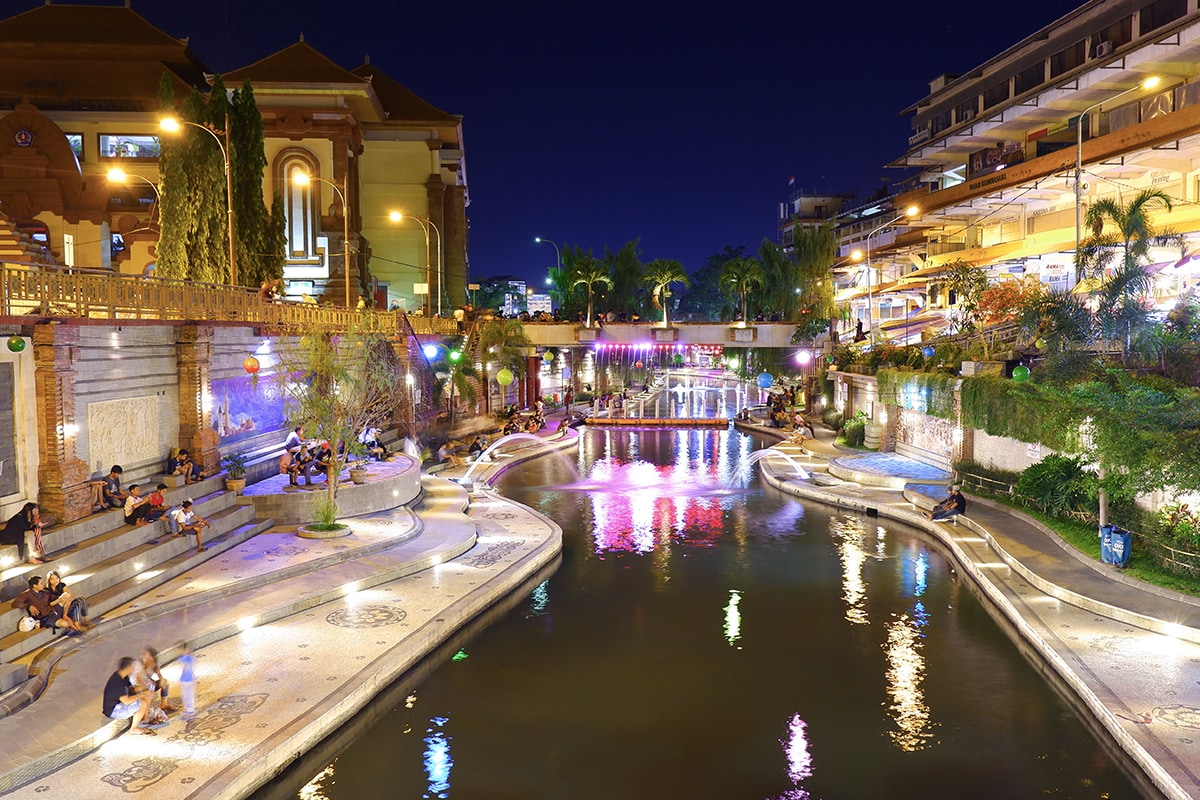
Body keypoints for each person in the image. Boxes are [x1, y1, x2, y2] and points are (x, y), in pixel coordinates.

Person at [12, 575, 83, 636]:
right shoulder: (27, 594)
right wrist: (28, 606)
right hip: (44, 617)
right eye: (41, 583)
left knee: (68, 597)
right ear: (35, 585)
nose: (43, 584)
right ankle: (73, 628)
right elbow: (15, 603)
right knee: (65, 624)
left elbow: (54, 598)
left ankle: (67, 618)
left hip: (52, 611)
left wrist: (63, 597)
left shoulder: (45, 593)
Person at [103, 656, 156, 735]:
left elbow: (131, 689)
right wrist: (144, 694)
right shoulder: (117, 682)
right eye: (133, 667)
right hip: (113, 710)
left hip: (119, 703)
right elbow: (127, 701)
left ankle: (143, 717)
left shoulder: (122, 676)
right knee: (143, 703)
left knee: (143, 697)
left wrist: (143, 688)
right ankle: (134, 728)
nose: (134, 669)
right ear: (128, 668)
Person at [133, 646, 176, 715]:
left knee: (165, 682)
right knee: (148, 691)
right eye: (145, 657)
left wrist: (161, 680)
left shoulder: (153, 664)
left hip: (148, 684)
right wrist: (146, 669)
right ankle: (144, 712)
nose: (146, 659)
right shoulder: (138, 666)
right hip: (137, 688)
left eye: (148, 657)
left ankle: (164, 704)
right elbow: (139, 681)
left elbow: (159, 675)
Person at [177, 641, 197, 721]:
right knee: (187, 695)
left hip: (188, 680)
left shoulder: (188, 658)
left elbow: (181, 658)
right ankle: (190, 709)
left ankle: (190, 711)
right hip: (186, 679)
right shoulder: (189, 657)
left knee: (188, 695)